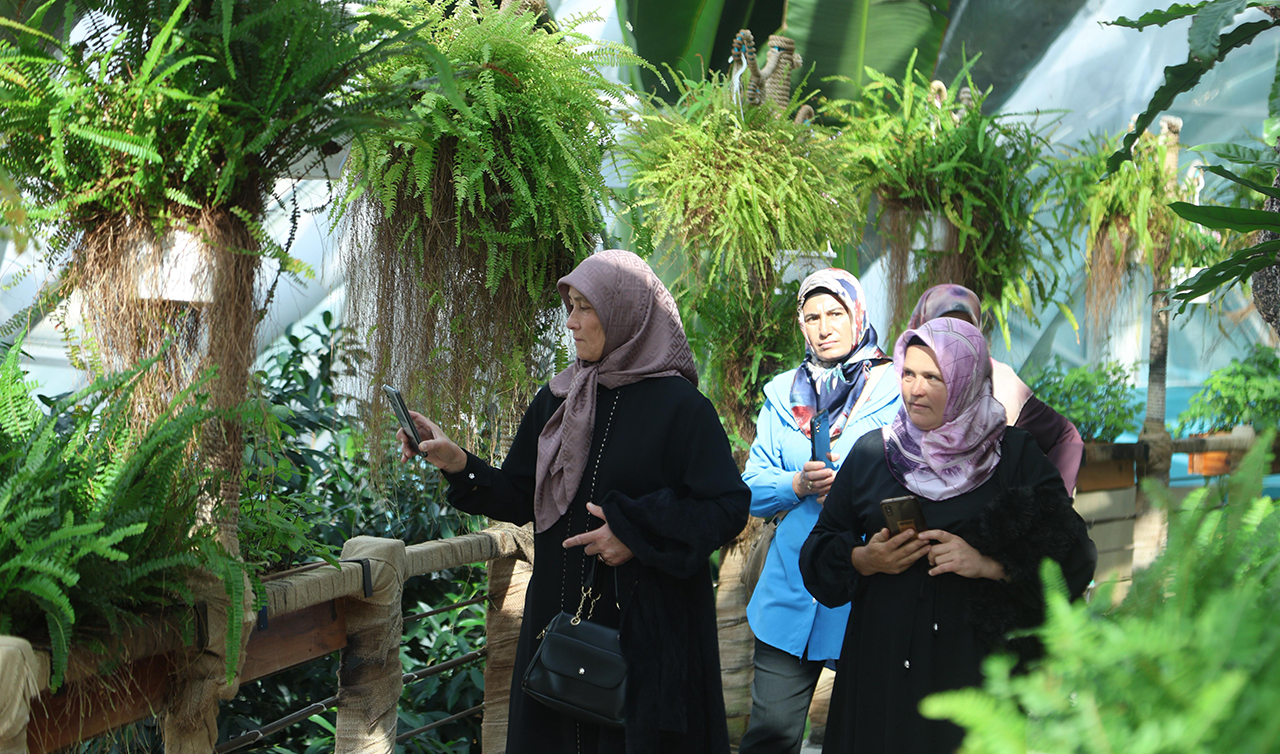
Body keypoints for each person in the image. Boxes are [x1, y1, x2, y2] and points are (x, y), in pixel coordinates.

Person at [397, 250, 750, 754]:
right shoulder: (560, 397)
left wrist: (634, 532)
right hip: (557, 629)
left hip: (644, 635)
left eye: (587, 308)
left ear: (625, 314)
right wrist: (459, 463)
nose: (571, 322)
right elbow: (522, 495)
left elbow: (726, 507)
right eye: (571, 306)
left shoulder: (681, 408)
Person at [799, 317, 1096, 754]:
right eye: (908, 374)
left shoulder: (1013, 457)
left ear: (965, 381)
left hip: (975, 677)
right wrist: (863, 559)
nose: (915, 390)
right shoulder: (874, 453)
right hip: (882, 673)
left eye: (933, 378)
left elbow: (1075, 556)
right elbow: (817, 552)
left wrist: (989, 566)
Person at [739, 269, 900, 754]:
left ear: (858, 315)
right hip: (790, 585)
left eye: (836, 313)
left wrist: (855, 495)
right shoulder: (783, 393)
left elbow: (918, 474)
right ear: (801, 324)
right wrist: (796, 484)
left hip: (866, 587)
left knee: (862, 735)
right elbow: (750, 487)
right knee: (770, 733)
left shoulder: (897, 388)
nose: (825, 328)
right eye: (812, 317)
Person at [909, 284, 1085, 495]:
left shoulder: (1001, 383)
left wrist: (1053, 504)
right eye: (942, 329)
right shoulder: (902, 384)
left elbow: (1065, 437)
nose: (955, 339)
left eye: (965, 330)